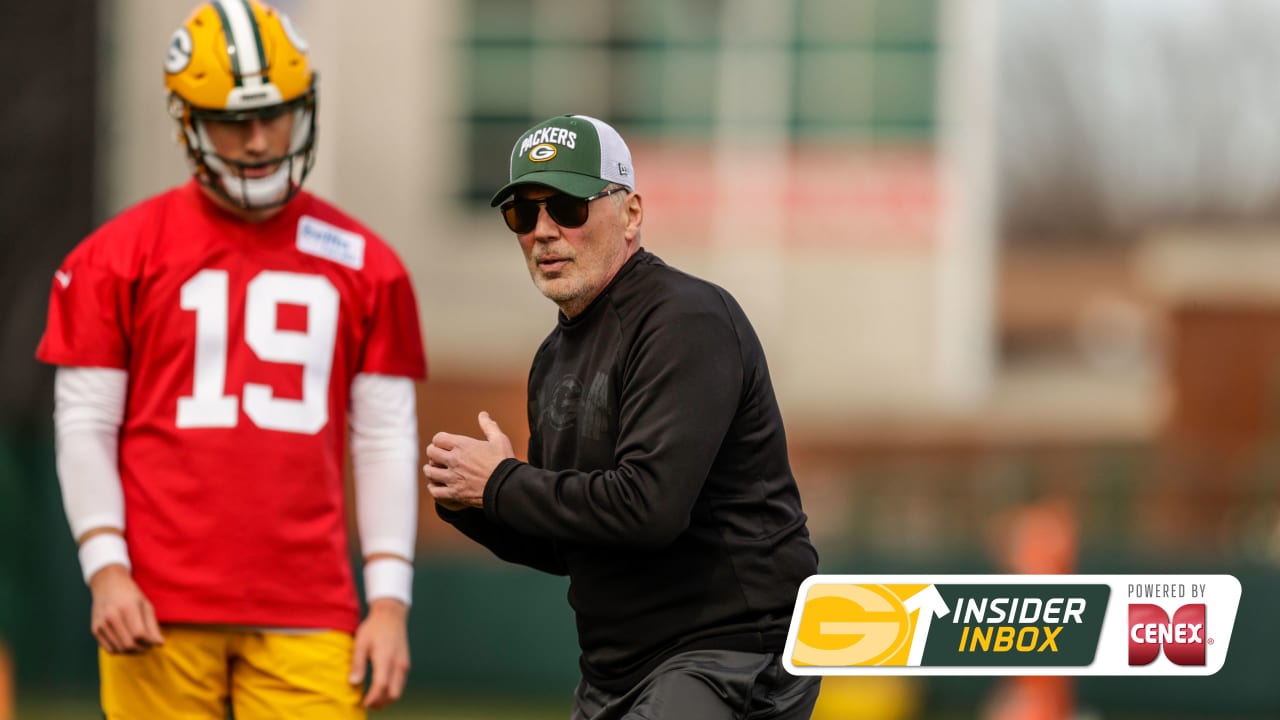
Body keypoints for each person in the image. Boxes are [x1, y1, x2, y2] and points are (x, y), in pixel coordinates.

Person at [35, 2, 426, 717]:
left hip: (310, 605)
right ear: (189, 122)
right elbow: (85, 424)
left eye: (274, 113)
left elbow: (384, 438)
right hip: (156, 603)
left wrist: (390, 600)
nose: (256, 140)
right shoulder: (113, 258)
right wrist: (106, 567)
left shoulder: (371, 267)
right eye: (230, 119)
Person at [423, 114, 821, 719]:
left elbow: (648, 509)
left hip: (731, 654)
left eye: (568, 206)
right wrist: (477, 504)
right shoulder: (553, 356)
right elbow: (575, 543)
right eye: (522, 214)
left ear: (631, 213)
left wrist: (502, 481)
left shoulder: (685, 319)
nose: (543, 231)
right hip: (617, 670)